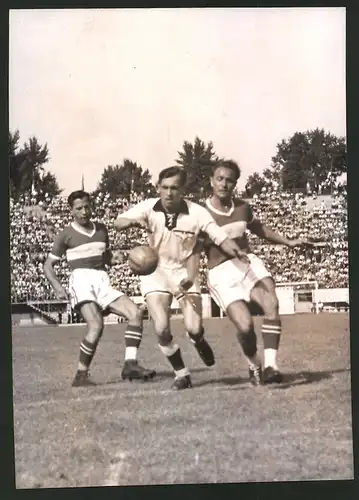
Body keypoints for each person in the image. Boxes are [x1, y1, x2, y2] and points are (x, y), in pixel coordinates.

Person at [114, 166, 248, 390]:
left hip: (184, 273)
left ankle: (198, 340)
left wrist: (237, 251)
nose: (168, 193)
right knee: (161, 328)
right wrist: (128, 222)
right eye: (164, 188)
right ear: (158, 187)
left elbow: (219, 236)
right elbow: (119, 221)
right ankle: (182, 374)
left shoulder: (197, 213)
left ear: (182, 190)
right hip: (155, 271)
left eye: (174, 188)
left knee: (194, 328)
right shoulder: (148, 206)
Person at [197, 160, 319, 385]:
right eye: (220, 178)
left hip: (247, 263)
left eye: (230, 180)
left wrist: (288, 242)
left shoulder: (243, 207)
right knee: (245, 327)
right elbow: (194, 248)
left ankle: (271, 367)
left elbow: (259, 229)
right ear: (211, 181)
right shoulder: (200, 213)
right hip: (221, 273)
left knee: (271, 301)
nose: (224, 184)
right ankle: (255, 365)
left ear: (235, 183)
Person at [43, 190, 156, 387]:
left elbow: (106, 258)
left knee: (135, 313)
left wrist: (117, 259)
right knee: (96, 325)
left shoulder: (102, 230)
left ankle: (130, 364)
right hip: (81, 280)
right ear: (71, 211)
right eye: (79, 208)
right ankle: (81, 375)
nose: (84, 211)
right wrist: (57, 286)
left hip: (102, 279)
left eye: (87, 207)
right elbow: (47, 265)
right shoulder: (65, 235)